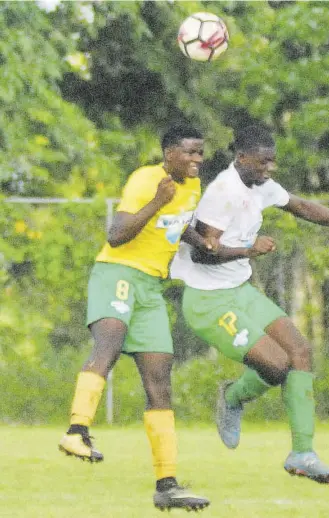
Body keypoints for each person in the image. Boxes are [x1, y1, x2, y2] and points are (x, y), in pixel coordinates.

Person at [171, 124, 329, 484]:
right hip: (208, 302)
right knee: (276, 367)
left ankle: (303, 454)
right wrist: (249, 249)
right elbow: (201, 255)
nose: (269, 169)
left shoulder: (261, 186)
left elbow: (303, 207)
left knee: (300, 352)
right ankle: (233, 396)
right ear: (241, 158)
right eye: (263, 162)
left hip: (240, 290)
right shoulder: (222, 193)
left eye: (272, 162)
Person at [59, 124, 214, 512]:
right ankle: (77, 431)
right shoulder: (147, 179)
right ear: (167, 153)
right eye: (188, 152)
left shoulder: (193, 188)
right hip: (118, 273)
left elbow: (175, 228)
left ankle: (167, 485)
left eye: (200, 153)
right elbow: (116, 235)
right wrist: (157, 202)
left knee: (160, 380)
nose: (196, 159)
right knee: (107, 344)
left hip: (151, 288)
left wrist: (205, 241)